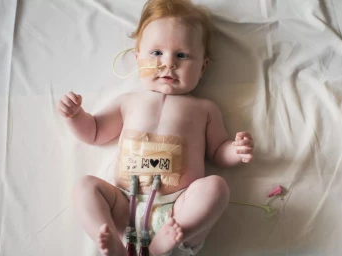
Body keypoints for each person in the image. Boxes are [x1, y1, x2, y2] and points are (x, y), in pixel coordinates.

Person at [58, 0, 254, 255]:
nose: (168, 63)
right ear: (137, 56)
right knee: (85, 187)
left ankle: (162, 244)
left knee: (216, 188)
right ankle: (109, 238)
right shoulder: (128, 102)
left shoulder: (204, 108)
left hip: (176, 212)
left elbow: (218, 150)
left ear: (203, 66)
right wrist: (75, 116)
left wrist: (235, 151)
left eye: (182, 55)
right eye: (156, 53)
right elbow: (94, 131)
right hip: (124, 202)